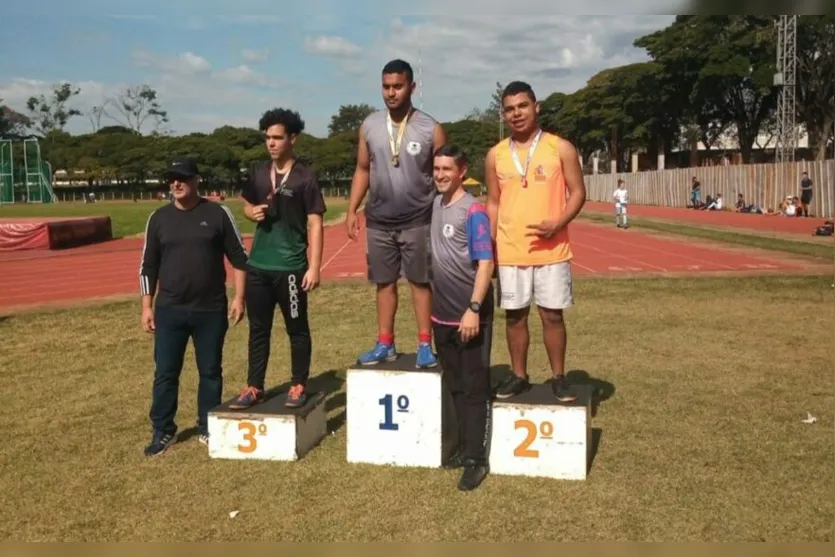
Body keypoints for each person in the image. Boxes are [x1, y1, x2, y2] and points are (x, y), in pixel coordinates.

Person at [485, 81, 587, 402]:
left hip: (552, 249)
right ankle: (519, 375)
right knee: (514, 315)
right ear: (504, 114)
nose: (517, 114)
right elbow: (493, 202)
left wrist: (559, 222)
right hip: (511, 249)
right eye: (510, 109)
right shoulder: (496, 155)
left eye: (522, 106)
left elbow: (578, 193)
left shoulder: (560, 148)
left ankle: (558, 376)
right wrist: (489, 245)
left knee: (552, 315)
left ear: (536, 106)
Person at [139, 157, 248, 456]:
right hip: (170, 310)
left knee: (210, 371)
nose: (176, 183)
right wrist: (146, 307)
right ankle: (163, 430)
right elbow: (147, 266)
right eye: (172, 178)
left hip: (210, 310)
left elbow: (240, 259)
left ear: (197, 180)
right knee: (165, 372)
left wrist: (240, 298)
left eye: (183, 178)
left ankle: (208, 427)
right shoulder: (158, 219)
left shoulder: (217, 214)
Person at [345, 58, 447, 369]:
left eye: (398, 86)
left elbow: (444, 175)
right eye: (386, 87)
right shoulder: (370, 125)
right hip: (379, 220)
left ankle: (425, 344)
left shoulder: (431, 128)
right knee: (384, 283)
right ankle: (385, 343)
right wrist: (352, 209)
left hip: (419, 218)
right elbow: (363, 168)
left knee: (420, 282)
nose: (391, 93)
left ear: (411, 87)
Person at [228, 108, 326, 410]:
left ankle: (298, 384)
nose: (271, 143)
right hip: (258, 266)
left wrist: (314, 266)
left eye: (277, 137)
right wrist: (250, 212)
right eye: (267, 137)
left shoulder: (305, 176)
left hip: (292, 268)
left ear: (292, 138)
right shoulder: (258, 171)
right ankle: (254, 386)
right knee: (258, 330)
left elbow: (315, 223)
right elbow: (245, 204)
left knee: (297, 329)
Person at [430, 144, 495, 491]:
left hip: (470, 316)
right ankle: (460, 449)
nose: (440, 174)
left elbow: (486, 263)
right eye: (436, 168)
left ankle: (476, 459)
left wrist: (473, 309)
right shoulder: (436, 205)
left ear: (462, 171)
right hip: (441, 317)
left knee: (474, 388)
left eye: (447, 169)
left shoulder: (473, 212)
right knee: (454, 385)